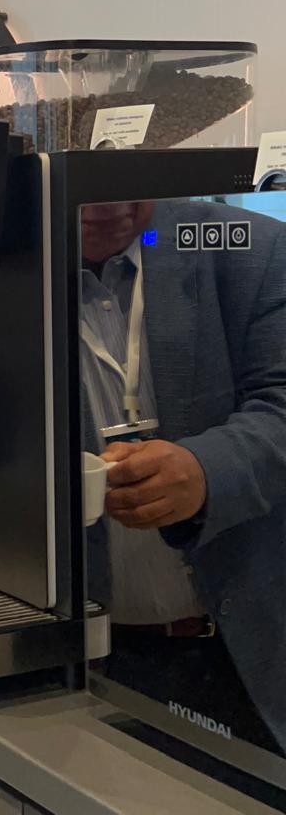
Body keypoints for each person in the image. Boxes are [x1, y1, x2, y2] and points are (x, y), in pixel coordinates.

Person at [79, 199, 286, 752]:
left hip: (250, 653)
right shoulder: (2, 271)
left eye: (126, 171)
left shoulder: (252, 246)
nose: (111, 204)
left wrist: (206, 471)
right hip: (80, 660)